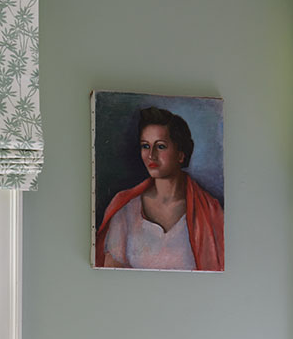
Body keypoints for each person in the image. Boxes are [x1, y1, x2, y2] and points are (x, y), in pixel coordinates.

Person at [95, 107, 224, 271]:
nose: (151, 155)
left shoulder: (210, 212)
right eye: (145, 146)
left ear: (180, 154)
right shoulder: (125, 211)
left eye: (161, 146)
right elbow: (111, 277)